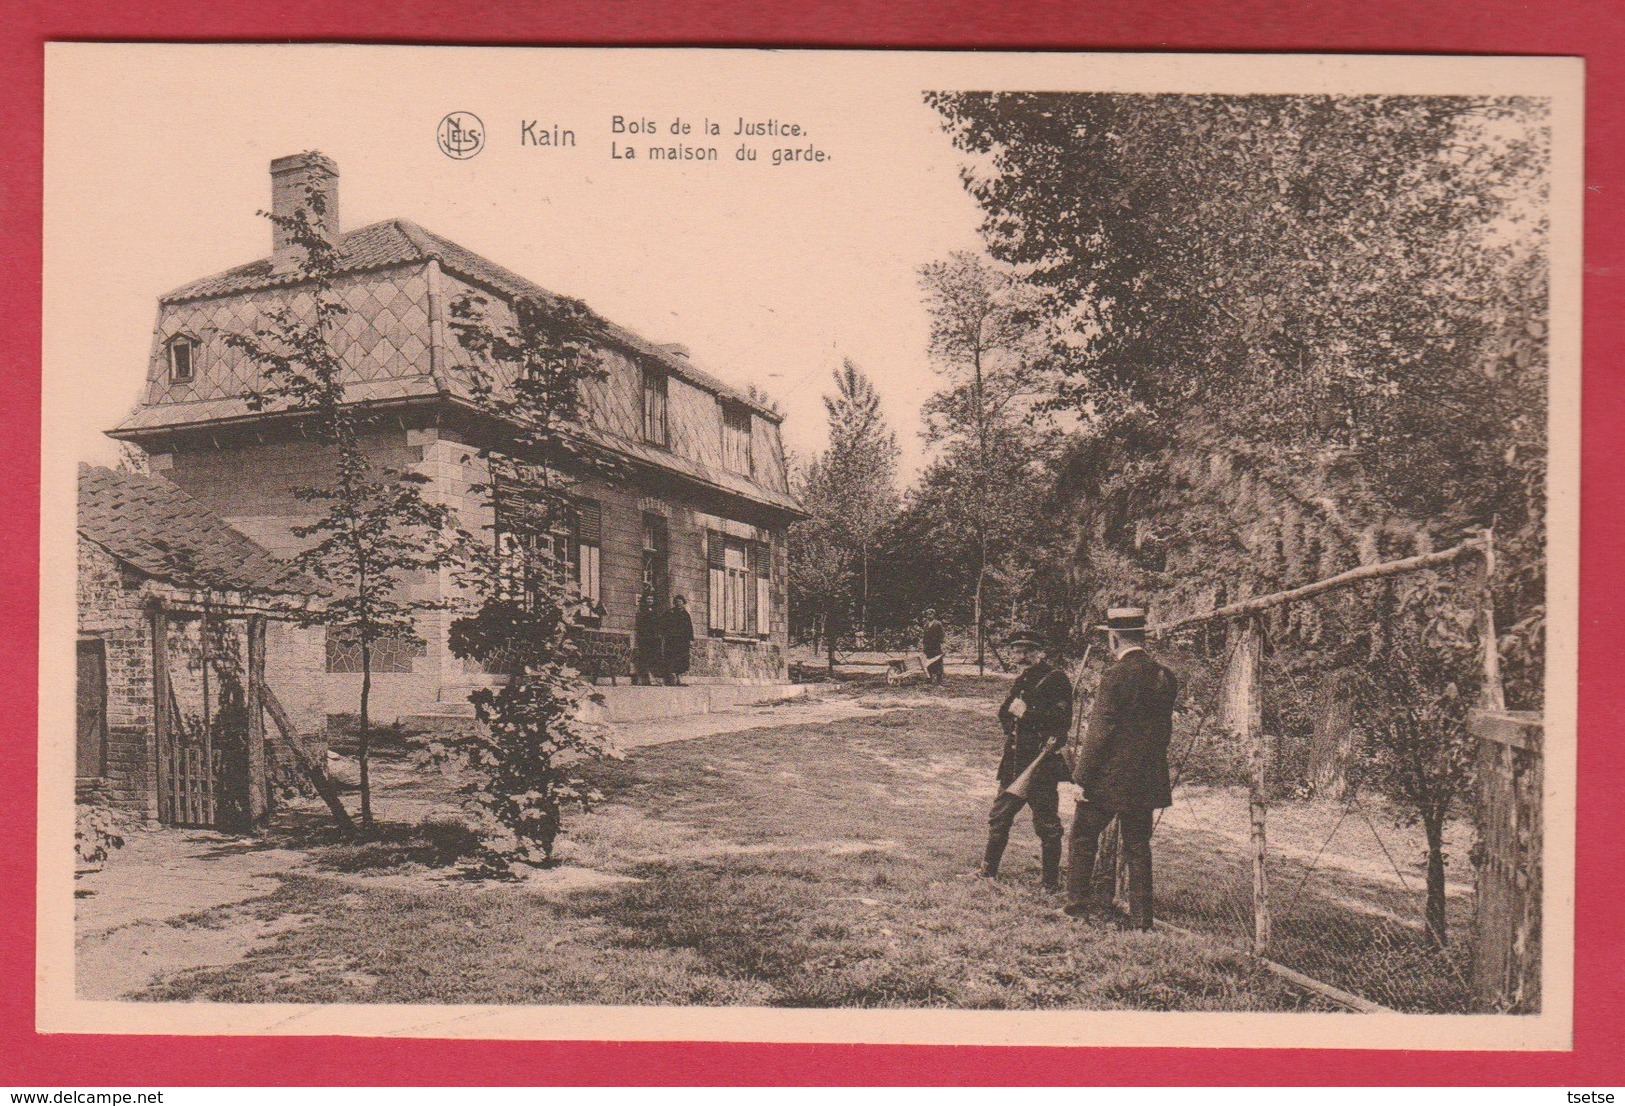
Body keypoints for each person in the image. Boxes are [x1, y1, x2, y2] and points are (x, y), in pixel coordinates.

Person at [1063, 606, 1179, 930]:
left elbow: (1101, 730)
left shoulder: (1115, 675)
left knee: (1084, 836)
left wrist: (1081, 777)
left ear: (1113, 638)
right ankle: (1142, 921)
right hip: (1147, 776)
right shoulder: (1164, 676)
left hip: (1110, 779)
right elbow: (1163, 732)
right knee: (1138, 846)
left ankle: (1077, 909)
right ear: (1141, 635)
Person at [978, 629, 1073, 890]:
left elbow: (1062, 722)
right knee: (999, 817)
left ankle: (1050, 883)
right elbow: (1004, 712)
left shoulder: (1056, 679)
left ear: (1040, 653)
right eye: (1018, 651)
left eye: (1027, 651)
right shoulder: (1023, 679)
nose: (1021, 656)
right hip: (1014, 763)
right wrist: (1013, 722)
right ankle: (987, 872)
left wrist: (1028, 715)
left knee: (1047, 825)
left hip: (1040, 765)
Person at [661, 594, 694, 686]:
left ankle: (679, 678)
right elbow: (663, 624)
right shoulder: (670, 613)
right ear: (674, 603)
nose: (679, 604)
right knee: (671, 658)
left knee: (682, 659)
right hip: (672, 641)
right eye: (677, 602)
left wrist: (691, 640)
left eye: (681, 602)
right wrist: (665, 634)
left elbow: (689, 628)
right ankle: (672, 678)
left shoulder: (686, 615)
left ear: (684, 603)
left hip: (683, 642)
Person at [633, 589, 662, 686]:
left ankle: (652, 677)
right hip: (645, 637)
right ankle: (645, 678)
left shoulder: (656, 610)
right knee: (644, 657)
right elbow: (640, 624)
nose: (650, 600)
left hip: (654, 638)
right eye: (648, 599)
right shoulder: (642, 610)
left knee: (653, 658)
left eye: (651, 599)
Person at [921, 609, 946, 685]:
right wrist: (924, 645)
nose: (929, 616)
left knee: (938, 662)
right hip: (928, 647)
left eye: (931, 614)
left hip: (936, 647)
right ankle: (929, 679)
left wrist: (941, 642)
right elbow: (924, 636)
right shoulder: (925, 624)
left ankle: (939, 680)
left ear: (934, 615)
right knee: (928, 663)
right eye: (928, 614)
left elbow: (942, 635)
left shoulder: (938, 624)